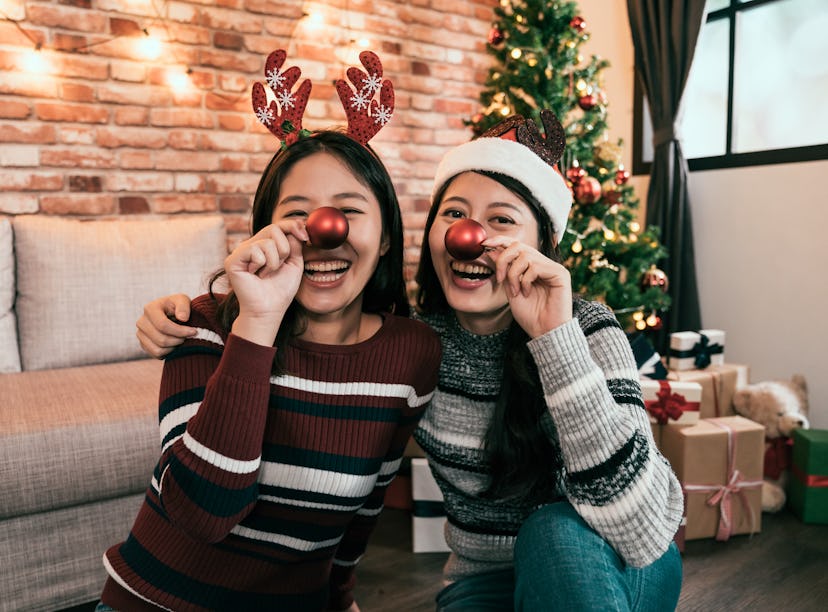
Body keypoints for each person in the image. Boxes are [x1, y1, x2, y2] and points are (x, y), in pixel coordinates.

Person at [135, 110, 684, 611]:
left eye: (502, 220)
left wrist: (554, 340)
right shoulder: (420, 346)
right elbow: (360, 473)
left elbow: (639, 529)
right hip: (484, 578)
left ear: (542, 243)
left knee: (553, 532)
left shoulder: (589, 330)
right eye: (455, 215)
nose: (472, 238)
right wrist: (200, 315)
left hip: (614, 561)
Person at [99, 51, 441, 612]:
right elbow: (203, 514)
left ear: (384, 238)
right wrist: (256, 324)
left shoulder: (412, 352)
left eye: (349, 211)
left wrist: (341, 597)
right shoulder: (204, 325)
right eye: (298, 212)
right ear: (267, 231)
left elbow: (366, 505)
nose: (323, 232)